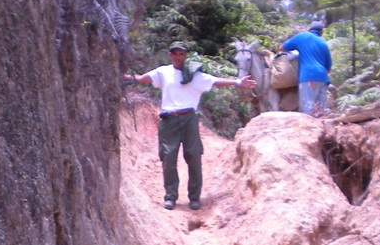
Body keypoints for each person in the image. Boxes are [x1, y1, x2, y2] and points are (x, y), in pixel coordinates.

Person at [124, 41, 256, 211]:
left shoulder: (195, 75)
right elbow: (141, 79)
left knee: (193, 157)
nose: (178, 57)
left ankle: (194, 197)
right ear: (170, 55)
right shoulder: (163, 72)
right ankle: (170, 196)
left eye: (181, 54)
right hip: (168, 120)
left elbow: (215, 81)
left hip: (189, 119)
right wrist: (121, 76)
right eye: (175, 53)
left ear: (185, 56)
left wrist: (238, 82)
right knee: (168, 158)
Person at [279, 20, 332, 117]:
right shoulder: (323, 42)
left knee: (308, 107)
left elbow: (282, 48)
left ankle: (309, 126)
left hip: (308, 76)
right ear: (321, 32)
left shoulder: (301, 36)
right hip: (323, 78)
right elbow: (328, 68)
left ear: (309, 29)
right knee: (322, 109)